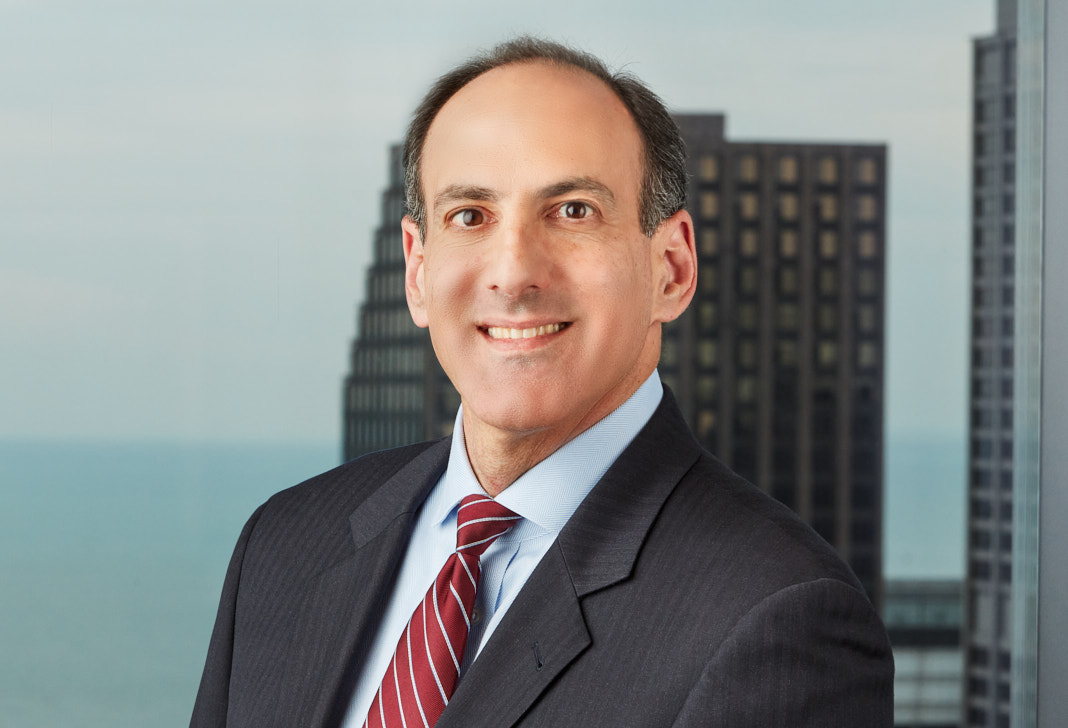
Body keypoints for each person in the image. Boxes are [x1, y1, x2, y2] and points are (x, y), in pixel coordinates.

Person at [191, 37, 894, 728]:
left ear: (671, 269)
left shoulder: (778, 616)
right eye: (470, 216)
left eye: (573, 211)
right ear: (417, 271)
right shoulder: (284, 545)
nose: (514, 273)